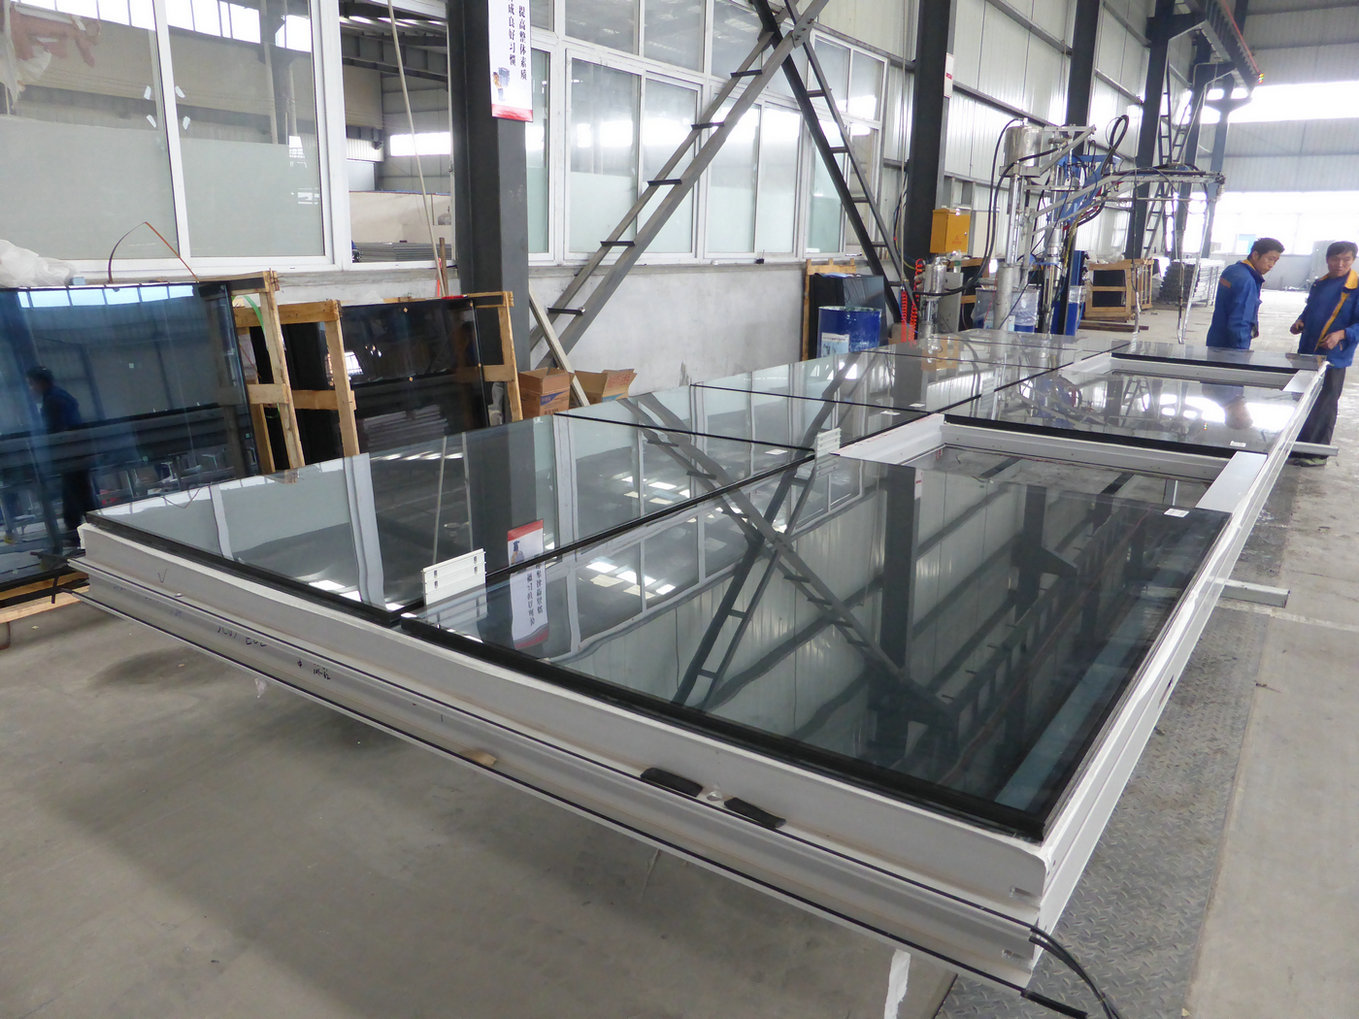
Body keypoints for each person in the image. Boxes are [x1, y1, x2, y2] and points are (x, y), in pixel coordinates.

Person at [1289, 240, 1359, 466]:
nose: (1340, 264)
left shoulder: (1355, 287)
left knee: (1324, 405)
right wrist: (1301, 321)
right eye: (1335, 259)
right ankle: (1297, 447)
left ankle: (1316, 454)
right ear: (1327, 259)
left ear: (1353, 260)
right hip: (1308, 353)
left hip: (1334, 357)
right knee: (1303, 400)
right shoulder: (1321, 283)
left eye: (1346, 260)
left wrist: (1342, 334)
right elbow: (1310, 309)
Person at [26, 365, 96, 539]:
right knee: (80, 492)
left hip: (69, 453)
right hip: (77, 451)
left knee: (74, 492)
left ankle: (78, 532)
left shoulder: (52, 401)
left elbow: (53, 431)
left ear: (41, 383)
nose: (31, 389)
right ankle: (91, 528)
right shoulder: (60, 396)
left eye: (32, 384)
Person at [1205, 237, 1285, 350]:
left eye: (1275, 261)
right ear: (1255, 255)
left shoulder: (1231, 270)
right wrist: (1241, 352)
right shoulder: (1247, 280)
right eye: (1270, 259)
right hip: (1231, 348)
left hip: (1215, 339)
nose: (1271, 265)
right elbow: (1240, 321)